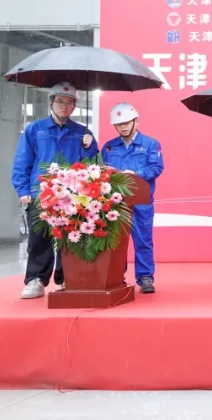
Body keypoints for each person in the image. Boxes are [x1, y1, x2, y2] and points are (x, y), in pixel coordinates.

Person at [12, 82, 99, 299]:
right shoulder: (35, 129)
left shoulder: (82, 132)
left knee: (70, 237)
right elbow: (22, 161)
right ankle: (36, 279)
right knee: (39, 238)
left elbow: (92, 166)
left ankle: (66, 276)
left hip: (71, 195)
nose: (64, 106)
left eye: (69, 102)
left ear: (74, 106)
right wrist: (23, 190)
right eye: (60, 101)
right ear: (51, 102)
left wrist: (89, 147)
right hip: (40, 193)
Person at [101, 102, 165, 294]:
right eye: (119, 124)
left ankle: (145, 277)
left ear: (136, 122)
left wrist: (136, 174)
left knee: (143, 240)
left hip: (141, 201)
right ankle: (115, 275)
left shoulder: (150, 144)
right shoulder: (109, 147)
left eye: (126, 123)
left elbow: (156, 168)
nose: (123, 127)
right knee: (114, 242)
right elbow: (100, 170)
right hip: (115, 203)